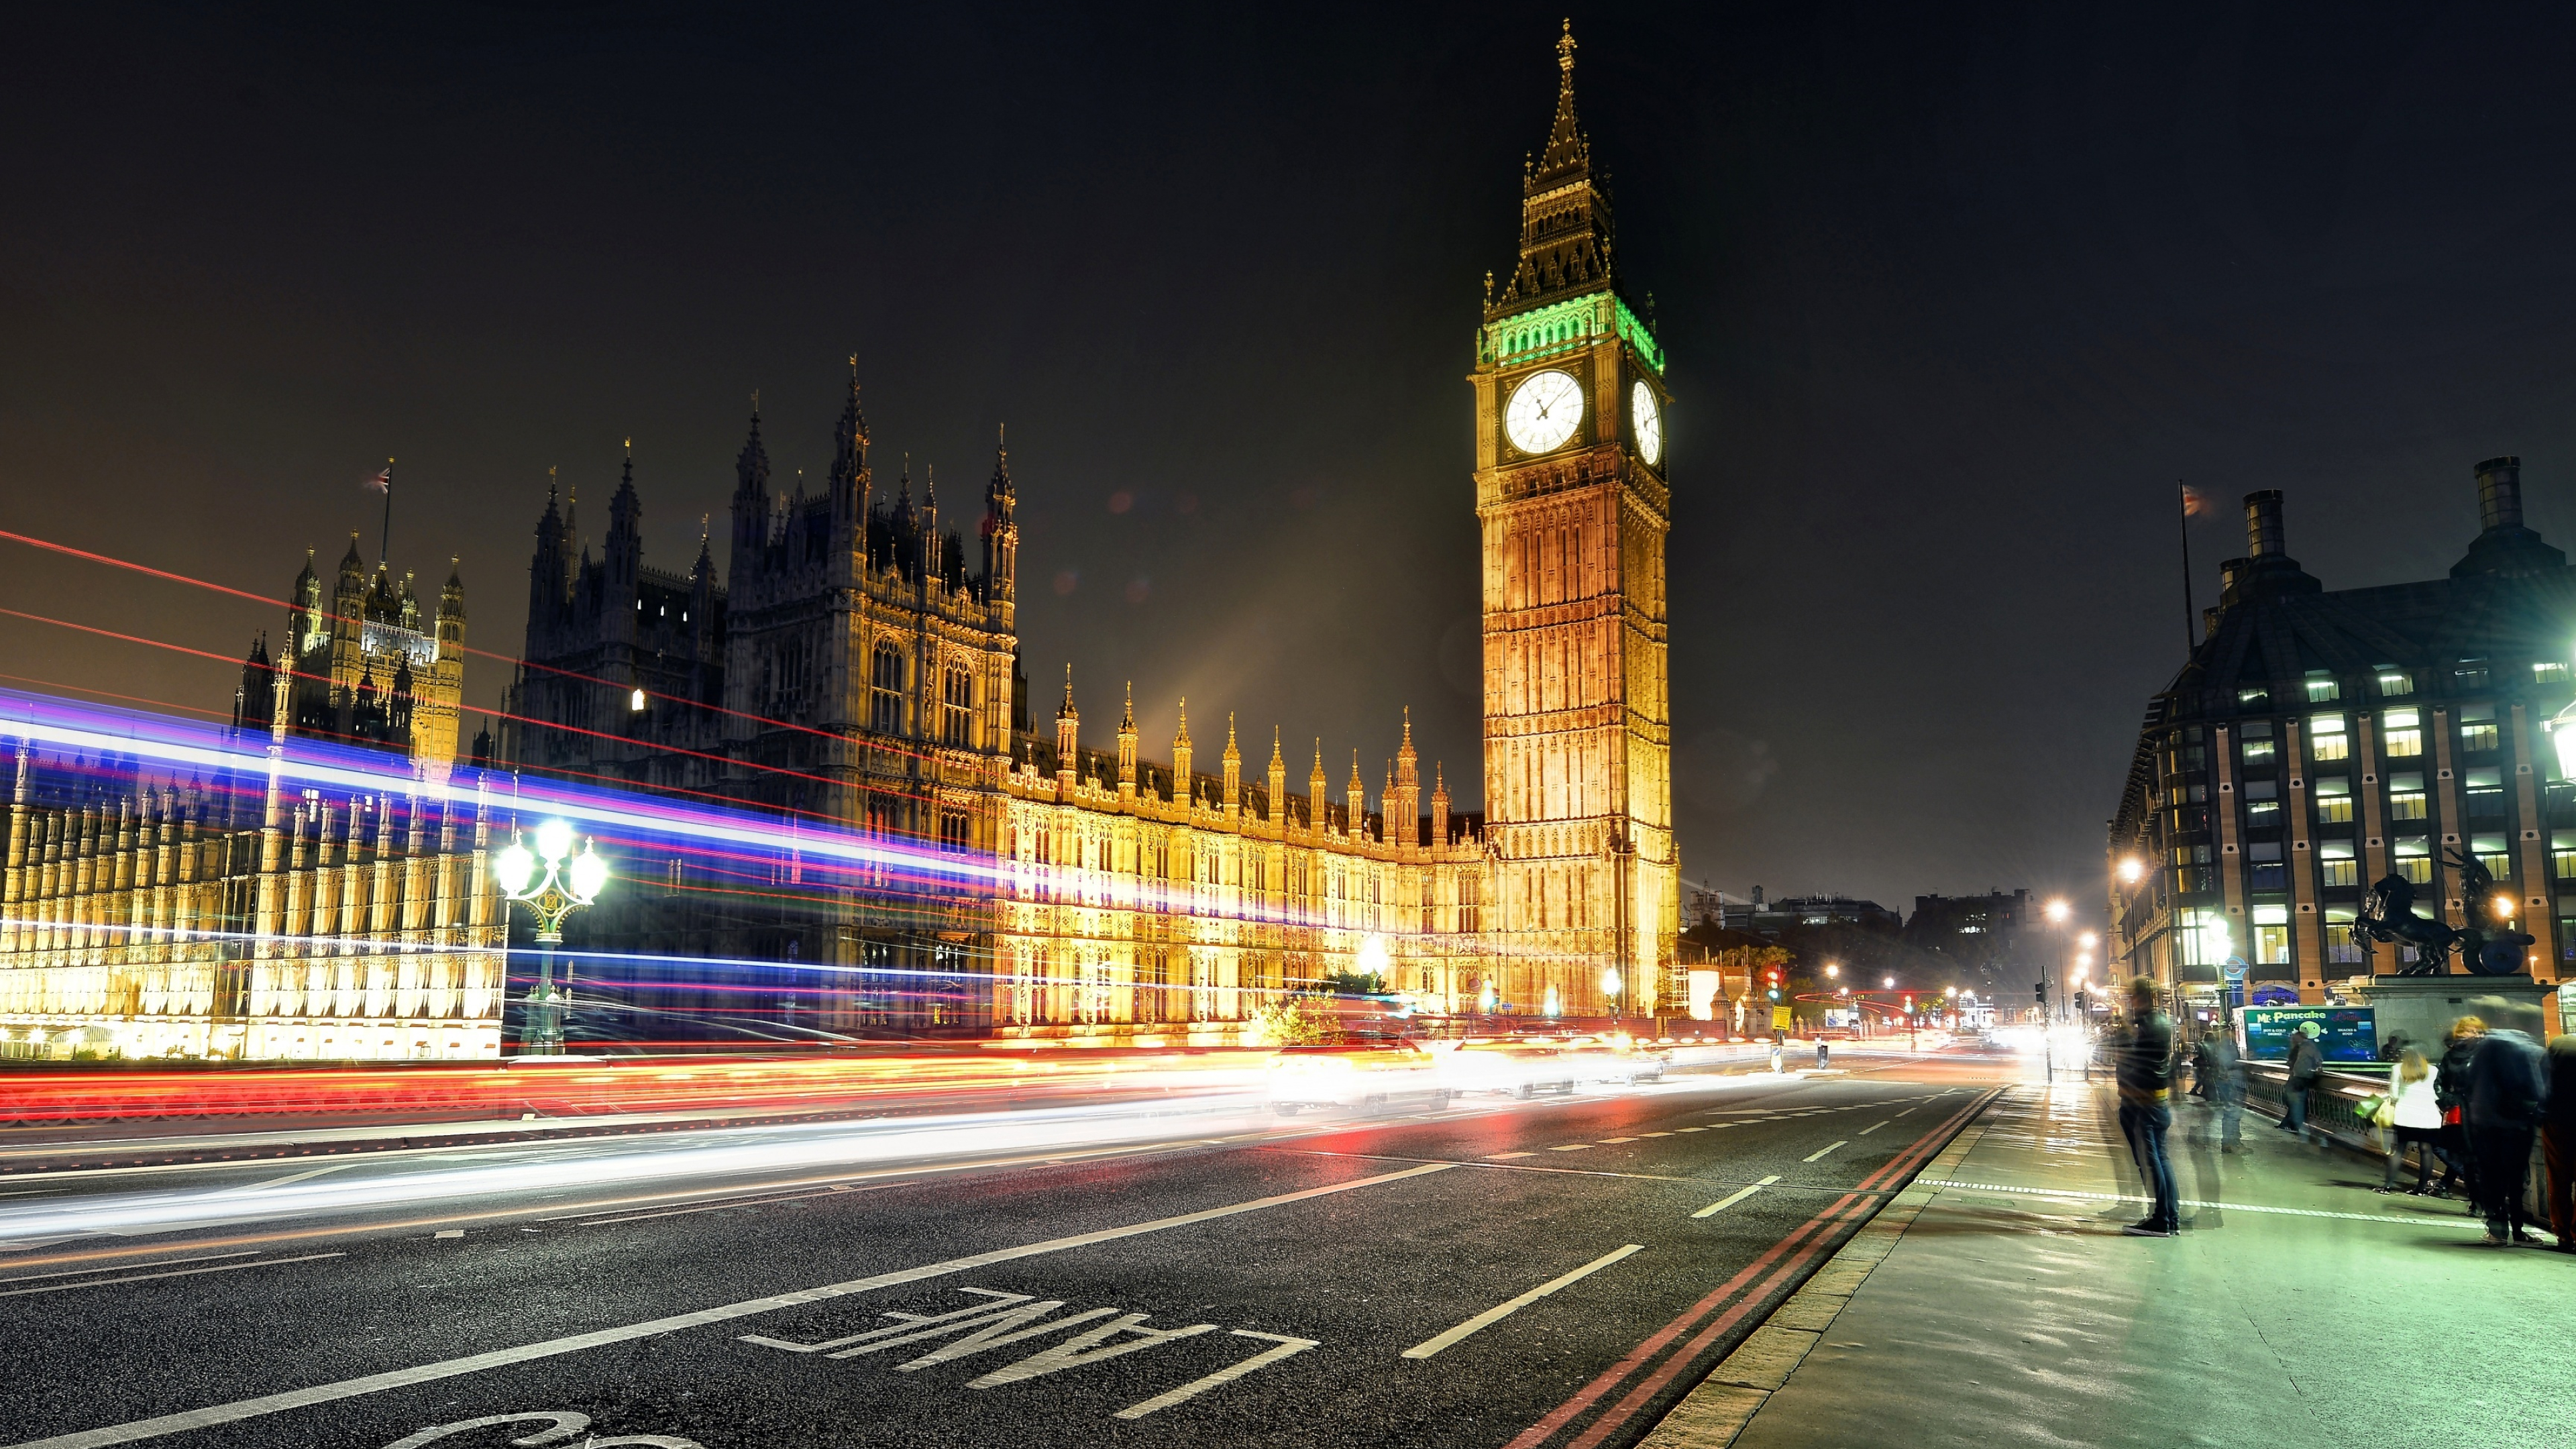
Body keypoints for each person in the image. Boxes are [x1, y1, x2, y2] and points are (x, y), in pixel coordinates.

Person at [2464, 1023, 2548, 1246]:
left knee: (2490, 1177)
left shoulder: (2482, 1051)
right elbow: (2538, 1091)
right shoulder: (2524, 1051)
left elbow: (2467, 1083)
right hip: (2517, 1125)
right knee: (2516, 1180)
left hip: (2484, 1123)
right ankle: (2519, 1232)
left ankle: (2497, 1230)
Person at [2114, 977, 2179, 1237]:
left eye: (2132, 996)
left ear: (2139, 997)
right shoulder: (2163, 1022)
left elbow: (2136, 1064)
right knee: (2162, 1160)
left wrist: (2123, 1039)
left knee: (2150, 1162)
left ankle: (2160, 1220)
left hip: (2142, 1103)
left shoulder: (2145, 1026)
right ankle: (2170, 1217)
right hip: (2157, 1102)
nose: (2130, 1001)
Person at [2434, 1018, 2487, 1203]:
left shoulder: (2485, 1054)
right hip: (2462, 1114)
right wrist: (2450, 1099)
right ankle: (2476, 1200)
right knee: (2466, 1157)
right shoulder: (2451, 1056)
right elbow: (2440, 1083)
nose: (2477, 1035)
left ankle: (2478, 1199)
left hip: (2483, 1113)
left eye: (2479, 1032)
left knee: (2475, 1157)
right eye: (2472, 1031)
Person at [2379, 1046, 2442, 1195]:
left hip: (2405, 1116)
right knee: (2426, 1150)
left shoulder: (2397, 1069)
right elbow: (2436, 1093)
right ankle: (2420, 1189)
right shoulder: (2433, 1070)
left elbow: (2394, 1095)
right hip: (2429, 1115)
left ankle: (2387, 1186)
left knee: (2400, 1149)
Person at [2544, 1030, 2576, 1252]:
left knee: (2558, 1180)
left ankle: (2563, 1234)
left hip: (2556, 1121)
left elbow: (2540, 1081)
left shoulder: (2561, 1044)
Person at [2195, 1028, 2246, 1152]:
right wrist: (2242, 1065)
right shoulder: (2226, 1047)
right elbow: (2227, 1064)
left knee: (2231, 1111)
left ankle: (2231, 1142)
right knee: (2232, 1112)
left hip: (2224, 1080)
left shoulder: (2221, 1047)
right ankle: (2230, 1143)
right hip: (2230, 1082)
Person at [2279, 1020, 2324, 1142]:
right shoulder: (2298, 1047)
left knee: (2296, 1102)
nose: (2293, 1037)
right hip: (2297, 1078)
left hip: (2301, 1079)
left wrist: (2318, 1067)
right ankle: (2291, 1124)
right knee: (2293, 1101)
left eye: (2295, 1035)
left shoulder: (2308, 1047)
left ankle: (2295, 1125)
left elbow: (2318, 1060)